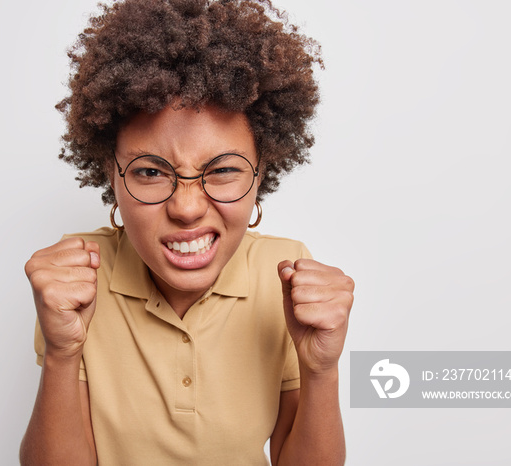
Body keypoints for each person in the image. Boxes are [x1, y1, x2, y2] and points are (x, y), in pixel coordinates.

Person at [20, 0, 354, 464]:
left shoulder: (285, 275)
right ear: (112, 177)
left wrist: (322, 371)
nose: (186, 207)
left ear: (261, 175)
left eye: (223, 171)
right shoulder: (76, 280)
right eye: (151, 172)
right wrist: (61, 352)